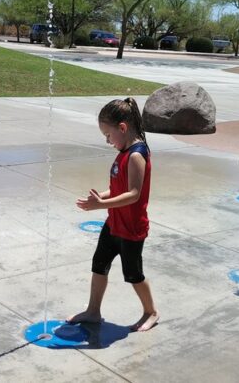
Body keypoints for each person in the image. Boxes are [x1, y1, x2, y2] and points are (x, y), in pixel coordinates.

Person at [67, 98, 160, 332]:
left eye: (108, 135)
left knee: (133, 274)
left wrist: (101, 205)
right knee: (99, 264)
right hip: (114, 224)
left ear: (122, 128)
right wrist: (101, 197)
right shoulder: (124, 150)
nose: (108, 141)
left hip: (131, 228)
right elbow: (119, 189)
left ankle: (151, 312)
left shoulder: (137, 155)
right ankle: (93, 311)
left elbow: (133, 195)